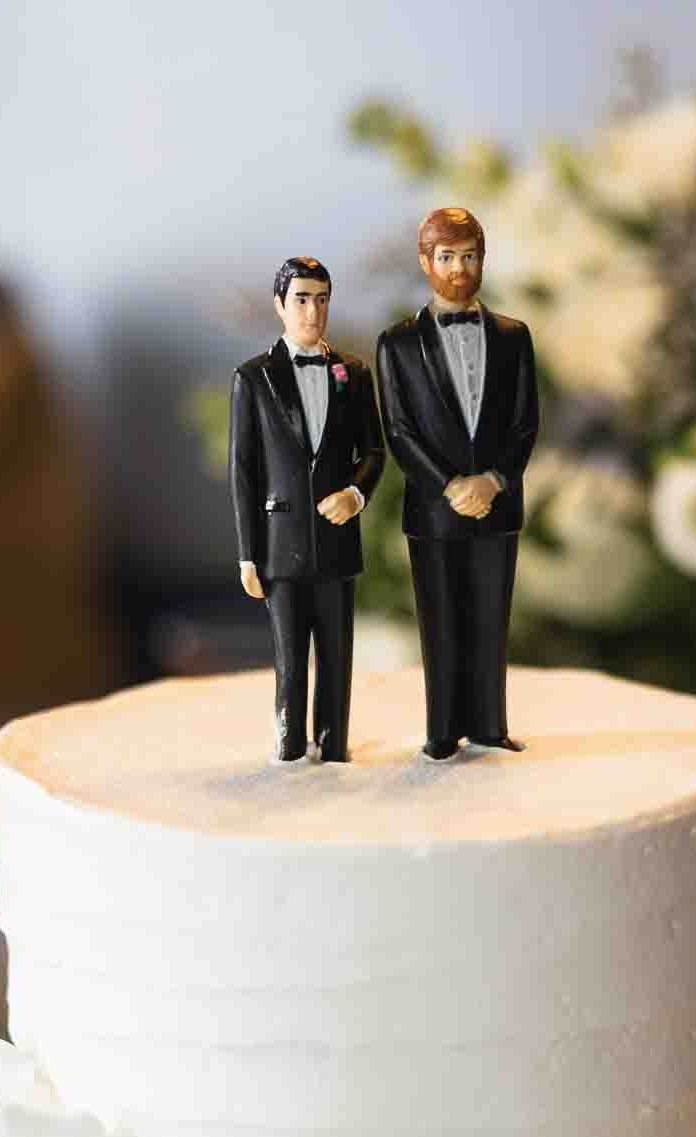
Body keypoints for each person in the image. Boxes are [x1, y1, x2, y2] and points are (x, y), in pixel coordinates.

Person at [376, 208, 539, 760]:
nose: (459, 268)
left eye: (469, 256)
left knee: (492, 620)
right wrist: (449, 484)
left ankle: (490, 725)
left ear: (483, 261)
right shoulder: (396, 345)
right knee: (440, 624)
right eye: (447, 257)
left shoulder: (515, 337)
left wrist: (494, 480)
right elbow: (398, 429)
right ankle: (442, 730)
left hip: (497, 505)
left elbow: (525, 423)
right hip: (435, 509)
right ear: (426, 262)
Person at [229, 256, 385, 762]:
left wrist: (356, 493)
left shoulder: (353, 373)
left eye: (321, 299)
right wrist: (249, 555)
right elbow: (244, 471)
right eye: (301, 298)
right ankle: (289, 749)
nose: (312, 311)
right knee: (290, 662)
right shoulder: (253, 378)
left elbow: (375, 452)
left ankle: (334, 747)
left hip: (338, 547)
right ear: (280, 304)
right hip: (281, 546)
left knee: (337, 660)